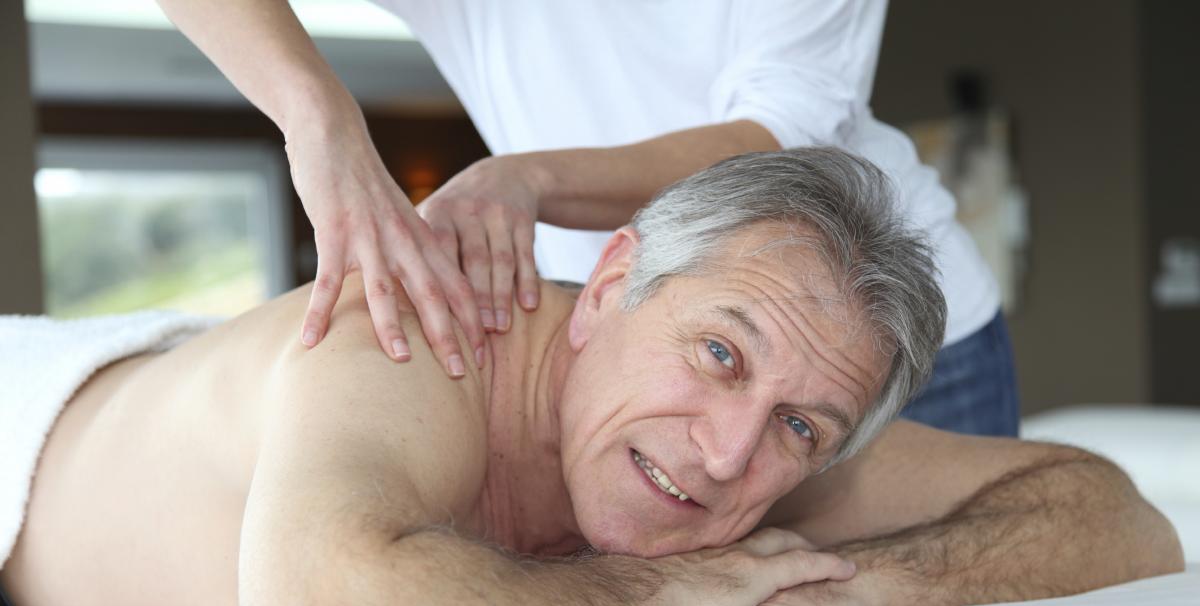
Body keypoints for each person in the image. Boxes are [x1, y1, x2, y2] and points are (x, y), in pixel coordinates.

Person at [0, 150, 1181, 606]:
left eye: (799, 424)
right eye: (718, 351)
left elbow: (1113, 514)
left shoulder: (767, 444)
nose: (726, 452)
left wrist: (865, 584)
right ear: (611, 284)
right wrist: (663, 591)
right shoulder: (417, 341)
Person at [154, 0, 1019, 435]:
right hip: (625, 332)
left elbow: (775, 138)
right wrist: (320, 122)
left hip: (890, 343)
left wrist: (528, 180)